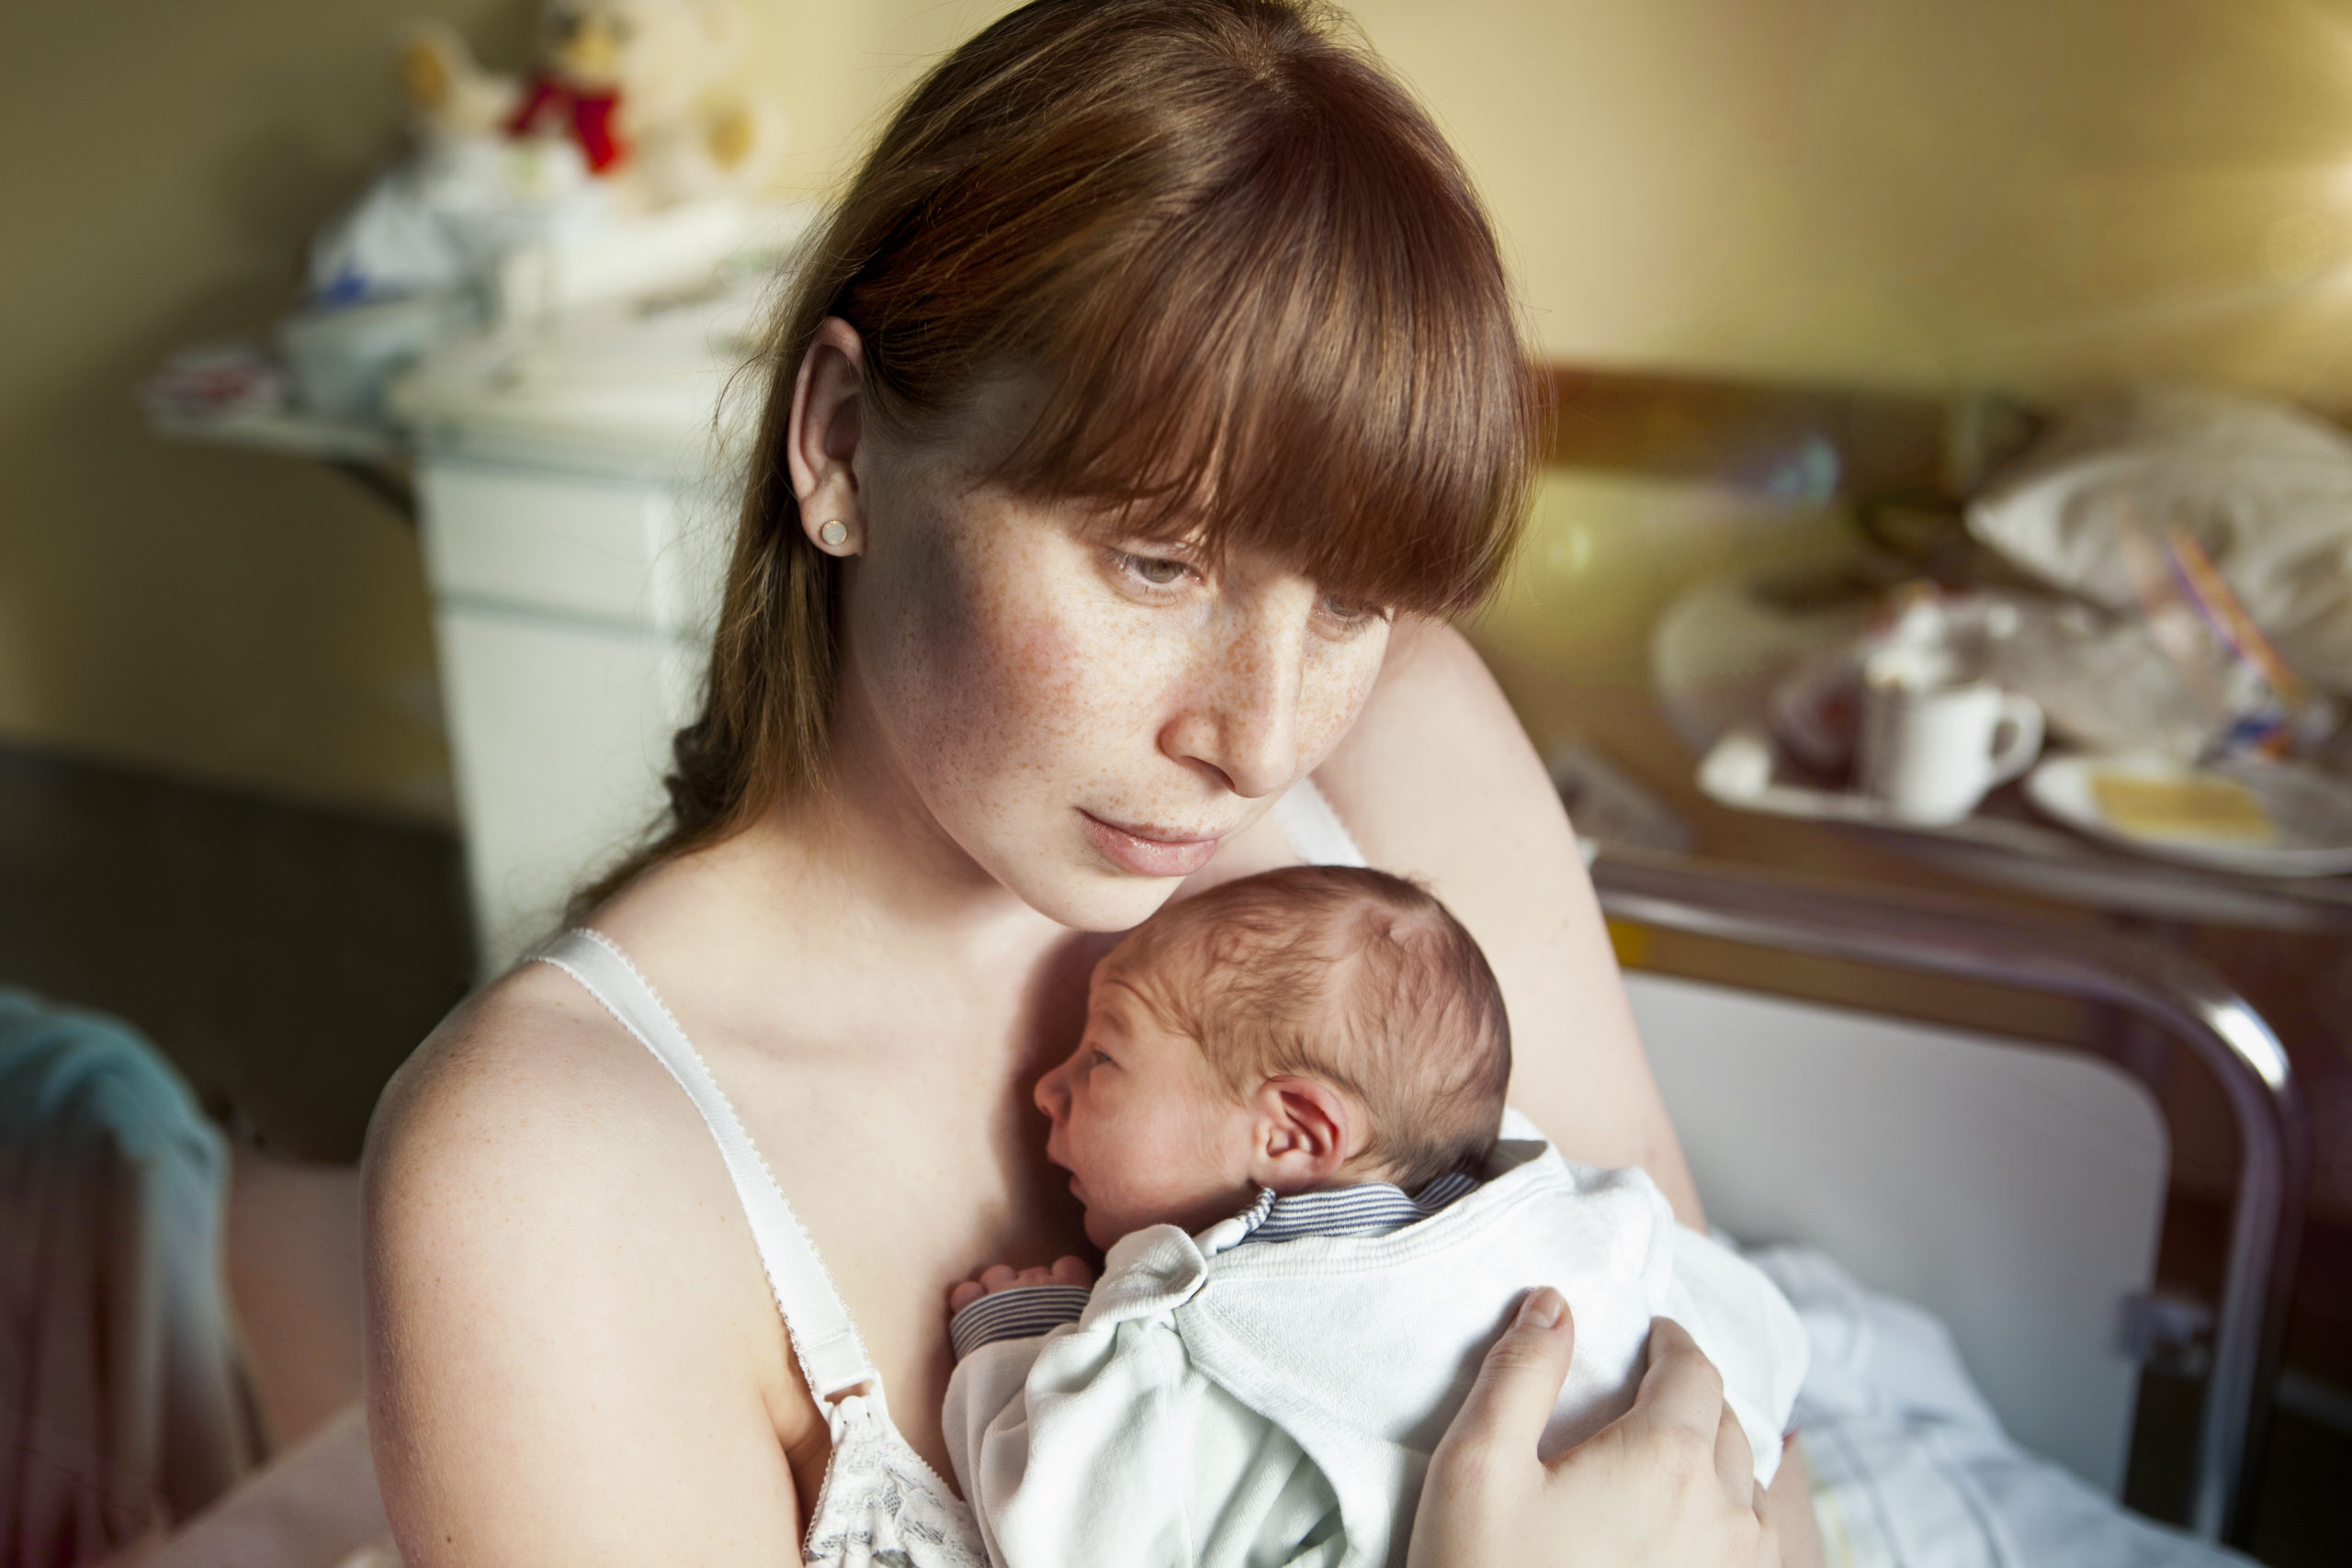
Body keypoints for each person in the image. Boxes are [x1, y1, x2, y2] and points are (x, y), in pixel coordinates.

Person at [363, 3, 1817, 1565]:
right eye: (1156, 561)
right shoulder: (549, 1177)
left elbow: (1746, 1452)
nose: (1260, 742)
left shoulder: (1401, 745)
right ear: (845, 443)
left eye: (1344, 602)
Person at [940, 864, 1808, 1568]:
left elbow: (1065, 1525)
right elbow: (1753, 1334)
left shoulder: (1222, 1335)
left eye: (1102, 1054)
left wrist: (1023, 1347)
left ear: (1292, 1131)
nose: (1046, 1088)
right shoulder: (1584, 1212)